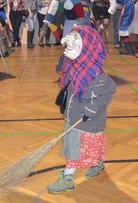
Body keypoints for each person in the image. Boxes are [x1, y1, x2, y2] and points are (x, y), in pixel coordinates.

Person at [47, 25, 116, 193]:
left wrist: (91, 110)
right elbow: (60, 70)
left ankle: (68, 178)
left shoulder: (97, 75)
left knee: (74, 149)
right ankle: (97, 163)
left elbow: (109, 90)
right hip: (74, 114)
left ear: (88, 47)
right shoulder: (75, 65)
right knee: (84, 147)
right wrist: (64, 56)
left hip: (87, 121)